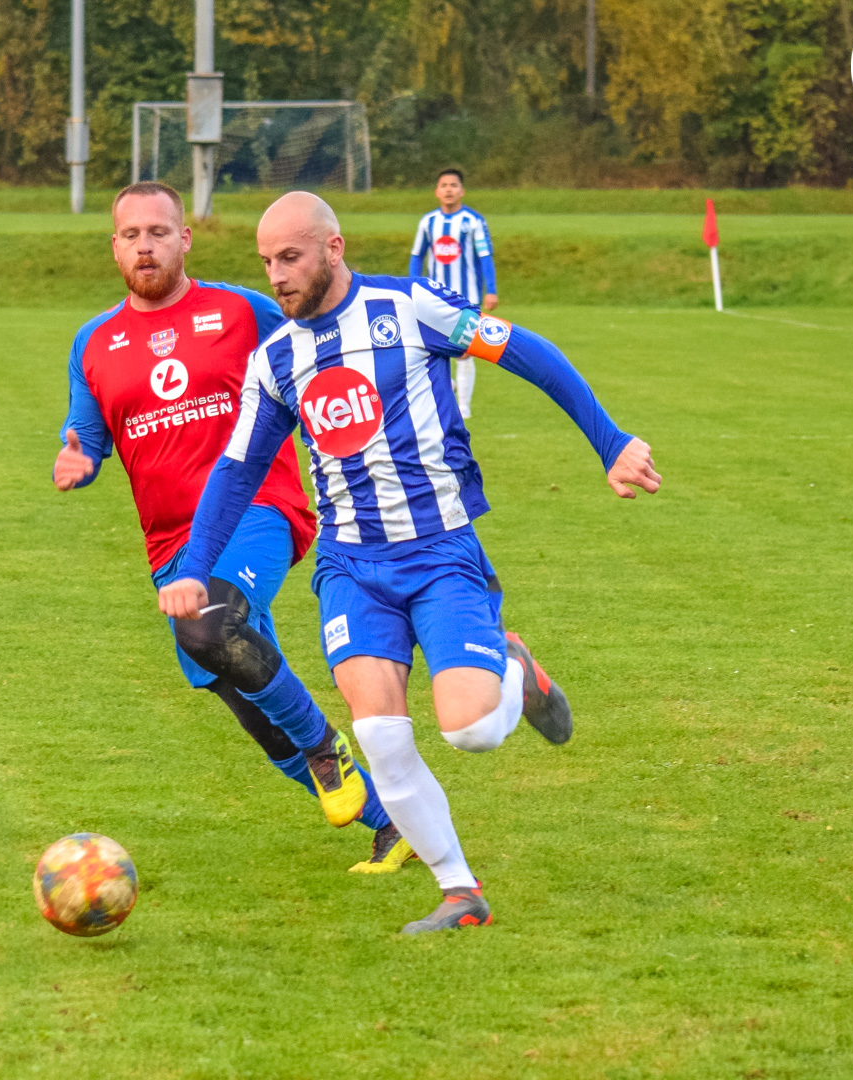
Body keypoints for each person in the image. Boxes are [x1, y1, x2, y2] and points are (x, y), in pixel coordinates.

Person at [160, 192, 662, 932]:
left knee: (469, 730)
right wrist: (193, 566)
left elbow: (528, 352)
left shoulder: (411, 308)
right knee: (380, 737)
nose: (277, 276)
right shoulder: (277, 360)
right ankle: (460, 893)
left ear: (333, 248)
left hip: (438, 552)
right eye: (266, 262)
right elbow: (238, 471)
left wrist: (610, 442)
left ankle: (514, 671)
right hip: (350, 568)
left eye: (290, 257)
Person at [56, 181, 412, 873]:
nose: (145, 246)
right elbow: (87, 433)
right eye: (131, 235)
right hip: (170, 544)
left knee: (210, 626)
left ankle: (326, 747)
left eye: (159, 231)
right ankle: (392, 822)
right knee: (249, 704)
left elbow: (321, 350)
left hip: (258, 510)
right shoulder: (93, 341)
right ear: (115, 247)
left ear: (185, 239)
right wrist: (77, 457)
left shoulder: (243, 312)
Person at [408, 168, 496, 418]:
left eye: (454, 185)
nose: (449, 190)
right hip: (434, 296)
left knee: (465, 350)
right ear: (437, 191)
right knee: (430, 347)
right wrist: (412, 286)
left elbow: (485, 256)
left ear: (462, 191)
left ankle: (463, 407)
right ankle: (450, 385)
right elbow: (417, 255)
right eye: (444, 185)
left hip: (466, 297)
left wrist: (491, 290)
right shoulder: (428, 222)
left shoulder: (473, 221)